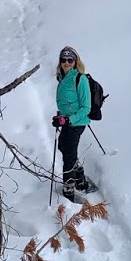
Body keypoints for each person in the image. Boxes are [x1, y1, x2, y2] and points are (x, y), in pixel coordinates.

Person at [52, 46, 95, 201]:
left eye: (70, 60)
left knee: (69, 157)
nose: (66, 63)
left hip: (77, 122)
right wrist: (61, 118)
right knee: (63, 147)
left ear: (76, 62)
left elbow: (86, 107)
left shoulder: (80, 79)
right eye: (63, 60)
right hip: (67, 121)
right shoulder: (62, 78)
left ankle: (69, 192)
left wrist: (69, 119)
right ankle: (80, 178)